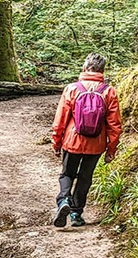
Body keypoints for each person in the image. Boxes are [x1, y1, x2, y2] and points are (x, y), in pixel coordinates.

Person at [50, 53, 122, 228]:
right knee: (85, 177)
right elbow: (114, 124)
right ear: (102, 71)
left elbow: (61, 119)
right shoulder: (109, 91)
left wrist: (56, 141)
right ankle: (76, 213)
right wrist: (111, 149)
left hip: (72, 140)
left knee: (67, 174)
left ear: (84, 68)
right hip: (96, 144)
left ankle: (64, 201)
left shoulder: (72, 89)